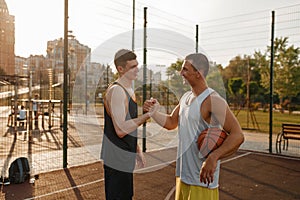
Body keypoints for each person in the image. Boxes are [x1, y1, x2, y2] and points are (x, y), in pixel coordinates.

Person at [144, 53, 244, 200]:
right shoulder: (186, 97)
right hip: (183, 177)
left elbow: (238, 135)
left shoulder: (213, 100)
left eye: (185, 69)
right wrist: (154, 112)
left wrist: (213, 157)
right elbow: (171, 122)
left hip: (202, 181)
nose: (181, 73)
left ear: (199, 73)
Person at [100, 49, 157, 200]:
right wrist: (146, 116)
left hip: (125, 155)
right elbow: (120, 130)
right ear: (120, 69)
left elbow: (128, 123)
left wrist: (136, 149)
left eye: (137, 65)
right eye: (132, 66)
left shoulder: (129, 90)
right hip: (116, 158)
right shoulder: (117, 91)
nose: (137, 69)